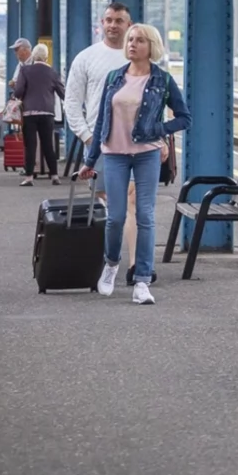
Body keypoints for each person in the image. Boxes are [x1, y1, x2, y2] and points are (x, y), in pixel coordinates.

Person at [79, 23, 191, 305]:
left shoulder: (162, 80)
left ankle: (142, 280)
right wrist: (90, 161)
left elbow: (184, 117)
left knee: (145, 216)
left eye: (139, 40)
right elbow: (103, 121)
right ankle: (112, 264)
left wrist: (159, 130)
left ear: (151, 46)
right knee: (116, 217)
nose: (132, 44)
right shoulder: (114, 77)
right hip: (114, 154)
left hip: (146, 155)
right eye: (130, 39)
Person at [64, 2, 132, 202]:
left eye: (119, 21)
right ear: (102, 23)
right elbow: (71, 102)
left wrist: (160, 138)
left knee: (132, 198)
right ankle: (115, 232)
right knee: (104, 196)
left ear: (129, 24)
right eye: (109, 20)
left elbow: (156, 99)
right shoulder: (86, 58)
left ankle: (126, 233)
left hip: (137, 141)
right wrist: (87, 136)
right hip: (99, 141)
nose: (113, 25)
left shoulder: (140, 58)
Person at [12, 43, 66, 186]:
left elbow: (18, 92)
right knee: (48, 144)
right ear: (46, 57)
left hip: (29, 112)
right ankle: (54, 176)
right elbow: (62, 93)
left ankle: (29, 177)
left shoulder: (25, 70)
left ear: (34, 56)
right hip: (47, 112)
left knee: (30, 145)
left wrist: (18, 91)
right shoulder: (53, 73)